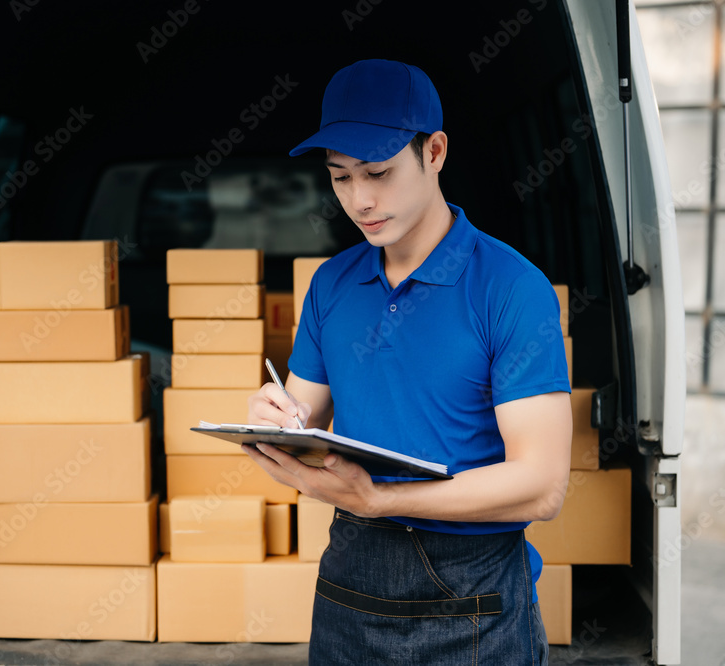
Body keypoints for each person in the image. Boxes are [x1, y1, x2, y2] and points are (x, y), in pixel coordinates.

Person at [244, 59, 572, 664]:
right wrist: (273, 421)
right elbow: (300, 419)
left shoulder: (510, 288)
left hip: (474, 599)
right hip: (351, 583)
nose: (360, 199)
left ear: (436, 152)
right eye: (340, 177)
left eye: (379, 172)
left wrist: (382, 499)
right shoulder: (331, 285)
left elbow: (542, 486)